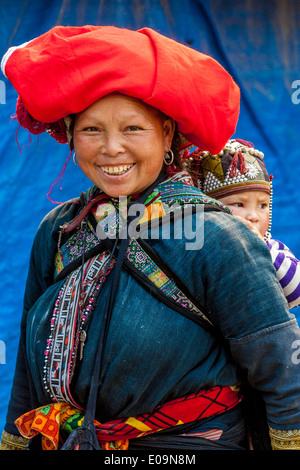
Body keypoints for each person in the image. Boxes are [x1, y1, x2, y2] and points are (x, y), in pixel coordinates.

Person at [1, 25, 300, 452]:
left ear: (166, 135)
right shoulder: (59, 230)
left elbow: (283, 374)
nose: (111, 148)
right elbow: (28, 378)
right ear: (70, 135)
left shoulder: (216, 238)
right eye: (91, 130)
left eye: (133, 129)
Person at [186, 139, 300, 310]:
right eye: (238, 204)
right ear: (207, 208)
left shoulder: (274, 251)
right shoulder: (193, 247)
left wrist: (260, 248)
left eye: (262, 205)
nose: (254, 216)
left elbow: (296, 290)